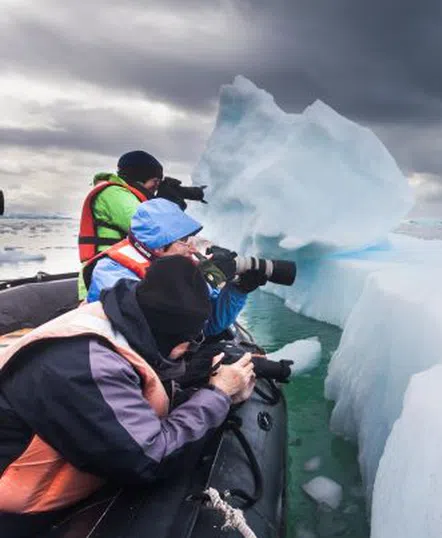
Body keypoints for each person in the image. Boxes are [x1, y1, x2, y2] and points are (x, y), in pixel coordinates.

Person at [0, 256, 256, 536]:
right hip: (14, 512)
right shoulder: (84, 366)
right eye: (190, 339)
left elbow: (139, 399)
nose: (189, 347)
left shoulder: (114, 321)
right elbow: (149, 459)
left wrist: (209, 390)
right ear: (170, 335)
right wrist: (219, 394)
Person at [81, 198, 263, 338]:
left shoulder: (176, 262)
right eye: (183, 241)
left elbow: (207, 326)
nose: (191, 248)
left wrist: (237, 291)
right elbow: (152, 328)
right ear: (159, 246)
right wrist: (200, 281)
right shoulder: (112, 273)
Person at [76, 150, 163, 299]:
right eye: (155, 181)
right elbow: (153, 229)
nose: (156, 188)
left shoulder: (126, 195)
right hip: (103, 281)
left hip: (117, 277)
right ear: (140, 178)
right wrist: (166, 203)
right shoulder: (114, 193)